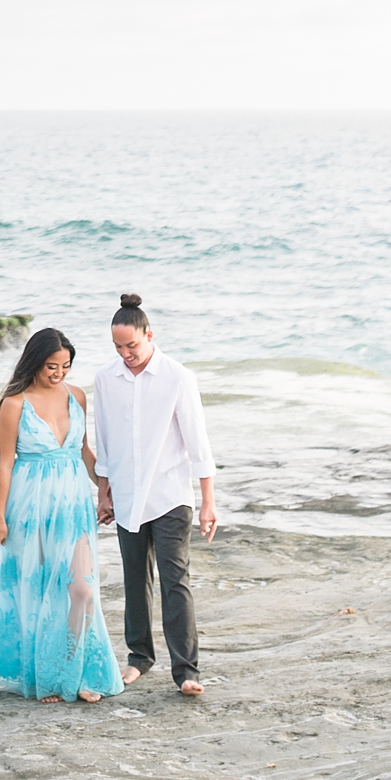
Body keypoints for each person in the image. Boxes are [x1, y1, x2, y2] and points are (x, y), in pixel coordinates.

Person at [0, 326, 124, 705]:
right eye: (52, 366)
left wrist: (105, 491)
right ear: (34, 363)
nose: (59, 373)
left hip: (73, 506)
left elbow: (84, 451)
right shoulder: (14, 404)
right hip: (30, 506)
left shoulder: (77, 396)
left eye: (65, 366)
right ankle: (47, 679)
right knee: (36, 592)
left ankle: (73, 669)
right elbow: (5, 465)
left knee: (81, 591)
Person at [93, 291, 218, 698]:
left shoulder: (178, 377)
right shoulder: (105, 378)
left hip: (169, 495)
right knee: (134, 580)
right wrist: (104, 493)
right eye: (118, 347)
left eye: (132, 344)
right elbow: (105, 442)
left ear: (150, 335)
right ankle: (139, 658)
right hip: (127, 496)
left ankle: (185, 669)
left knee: (175, 581)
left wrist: (208, 502)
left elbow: (198, 443)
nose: (126, 353)